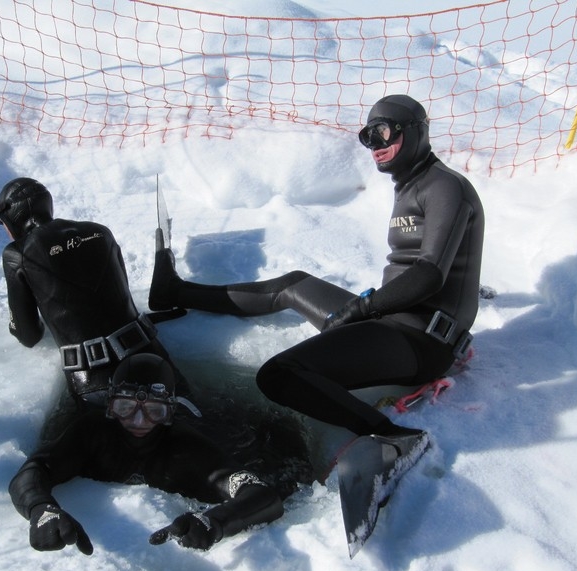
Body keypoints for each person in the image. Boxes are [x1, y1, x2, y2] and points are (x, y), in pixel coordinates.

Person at [148, 94, 484, 481]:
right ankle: (174, 292)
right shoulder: (410, 186)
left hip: (421, 340)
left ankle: (390, 436)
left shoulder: (444, 186)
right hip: (392, 320)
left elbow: (429, 274)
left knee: (280, 374)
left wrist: (363, 309)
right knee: (293, 285)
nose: (375, 145)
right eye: (368, 136)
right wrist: (367, 311)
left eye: (383, 132)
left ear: (417, 131)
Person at [8, 353, 285, 554]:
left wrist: (213, 521)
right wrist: (40, 509)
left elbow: (262, 494)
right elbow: (36, 469)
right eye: (126, 407)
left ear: (170, 413)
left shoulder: (186, 448)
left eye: (154, 411)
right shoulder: (92, 431)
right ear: (110, 406)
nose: (138, 421)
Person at [0, 177, 186, 412]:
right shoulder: (100, 231)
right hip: (149, 352)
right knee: (192, 419)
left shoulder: (17, 254)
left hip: (94, 379)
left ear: (12, 219)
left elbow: (28, 335)